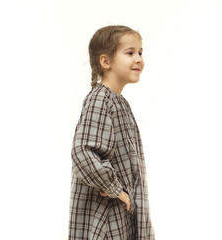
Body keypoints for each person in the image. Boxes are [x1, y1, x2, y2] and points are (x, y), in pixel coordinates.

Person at [68, 25, 155, 240]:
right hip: (106, 218)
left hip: (118, 217)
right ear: (106, 62)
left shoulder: (117, 101)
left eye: (140, 53)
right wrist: (115, 189)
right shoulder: (100, 100)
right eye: (130, 52)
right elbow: (83, 152)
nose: (138, 59)